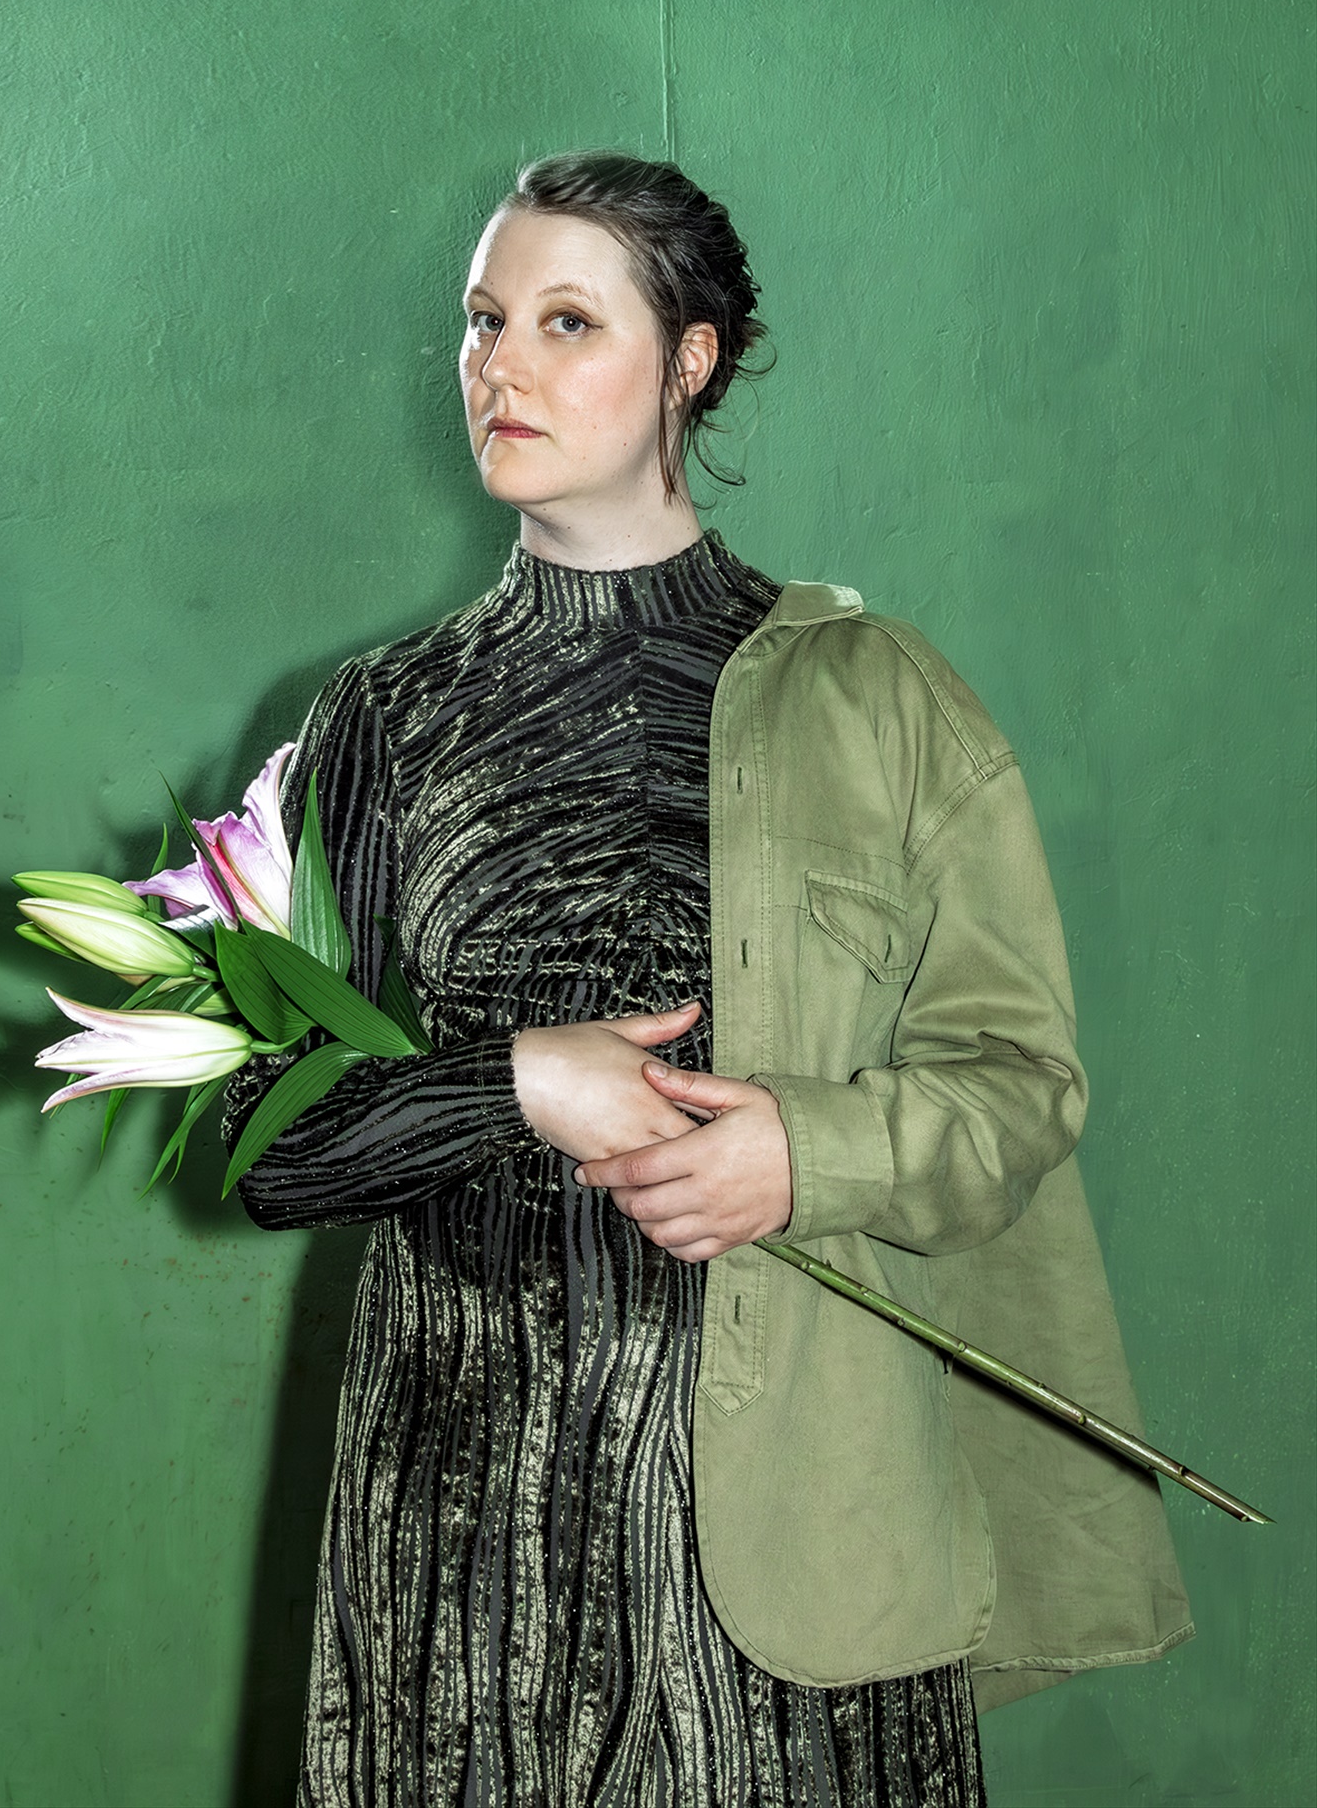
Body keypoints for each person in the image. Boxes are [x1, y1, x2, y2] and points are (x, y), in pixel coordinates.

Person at [224, 152, 1191, 1808]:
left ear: (691, 359)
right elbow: (268, 1138)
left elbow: (1020, 1091)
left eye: (566, 321)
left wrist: (801, 1152)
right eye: (483, 320)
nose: (501, 364)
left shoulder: (883, 702)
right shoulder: (380, 723)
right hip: (459, 1583)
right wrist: (519, 1077)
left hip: (801, 1569)